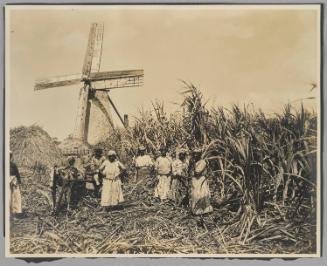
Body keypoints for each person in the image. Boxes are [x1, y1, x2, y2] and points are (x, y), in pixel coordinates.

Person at [189, 148, 213, 215]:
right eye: (194, 154)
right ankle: (196, 210)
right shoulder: (194, 162)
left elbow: (197, 173)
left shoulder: (202, 162)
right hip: (195, 180)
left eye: (197, 154)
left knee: (201, 194)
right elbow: (190, 171)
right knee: (195, 194)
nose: (196, 155)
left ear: (200, 155)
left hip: (200, 180)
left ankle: (204, 210)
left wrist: (193, 165)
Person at [9, 151, 23, 217]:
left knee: (16, 195)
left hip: (14, 181)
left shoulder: (13, 165)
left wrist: (19, 181)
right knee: (9, 196)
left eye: (10, 156)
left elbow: (17, 173)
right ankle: (9, 211)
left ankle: (17, 211)